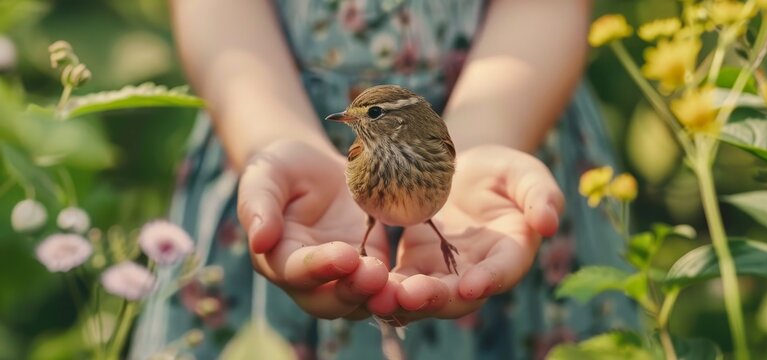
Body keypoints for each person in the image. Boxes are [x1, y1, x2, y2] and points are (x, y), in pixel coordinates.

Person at [132, 0, 637, 358]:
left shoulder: (436, 145)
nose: (351, 120)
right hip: (261, 108)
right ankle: (366, 246)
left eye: (367, 114)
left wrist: (489, 134)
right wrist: (271, 135)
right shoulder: (362, 155)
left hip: (519, 107)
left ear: (394, 119)